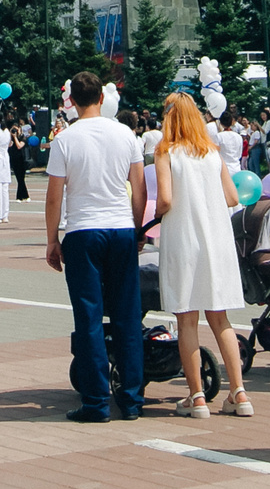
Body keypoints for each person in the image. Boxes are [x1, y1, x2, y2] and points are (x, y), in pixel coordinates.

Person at [46, 71, 147, 425]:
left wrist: (52, 239)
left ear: (70, 100)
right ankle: (133, 400)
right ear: (102, 99)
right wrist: (137, 229)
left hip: (83, 230)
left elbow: (54, 195)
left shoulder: (65, 140)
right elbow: (139, 187)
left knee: (88, 317)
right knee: (127, 314)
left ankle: (95, 402)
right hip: (120, 227)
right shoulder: (126, 134)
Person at [153, 91, 249, 420]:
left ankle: (196, 397)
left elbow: (165, 200)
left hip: (183, 238)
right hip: (217, 240)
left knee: (186, 317)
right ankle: (238, 392)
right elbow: (233, 197)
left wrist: (156, 216)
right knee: (220, 317)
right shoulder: (211, 152)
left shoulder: (165, 151)